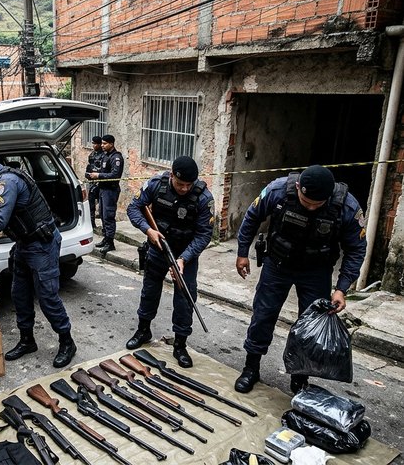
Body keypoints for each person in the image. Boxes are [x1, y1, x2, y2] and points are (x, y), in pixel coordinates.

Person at [233, 165, 367, 394]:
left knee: (310, 326)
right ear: (297, 188)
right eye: (307, 202)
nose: (312, 207)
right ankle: (251, 368)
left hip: (316, 271)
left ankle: (300, 377)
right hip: (277, 264)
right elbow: (252, 216)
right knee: (263, 315)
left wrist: (341, 288)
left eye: (318, 204)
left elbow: (356, 248)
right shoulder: (277, 190)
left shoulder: (347, 206)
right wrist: (242, 253)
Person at [0, 149, 77, 368]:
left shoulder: (6, 182)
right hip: (24, 244)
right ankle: (27, 340)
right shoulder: (1, 180)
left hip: (41, 244)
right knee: (20, 294)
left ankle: (67, 342)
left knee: (47, 297)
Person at [124, 156, 214, 368]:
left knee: (185, 297)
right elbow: (133, 208)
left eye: (188, 185)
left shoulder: (203, 198)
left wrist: (183, 259)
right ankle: (143, 330)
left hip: (185, 254)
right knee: (149, 290)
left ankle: (180, 344)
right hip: (158, 247)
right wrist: (148, 230)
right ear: (172, 175)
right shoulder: (156, 185)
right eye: (180, 184)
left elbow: (204, 235)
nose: (184, 189)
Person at [87, 134, 123, 253]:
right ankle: (106, 238)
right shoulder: (105, 156)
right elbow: (102, 171)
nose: (102, 145)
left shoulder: (116, 157)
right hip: (102, 189)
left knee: (108, 216)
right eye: (101, 143)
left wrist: (98, 175)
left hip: (110, 190)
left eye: (104, 143)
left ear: (111, 144)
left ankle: (110, 242)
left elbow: (114, 175)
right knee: (102, 215)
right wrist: (93, 174)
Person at [84, 136, 105, 229]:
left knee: (102, 207)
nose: (94, 145)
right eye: (93, 143)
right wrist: (88, 174)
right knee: (91, 205)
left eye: (95, 143)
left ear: (100, 144)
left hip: (100, 183)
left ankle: (104, 226)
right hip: (92, 182)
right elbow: (89, 167)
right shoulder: (92, 154)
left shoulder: (104, 155)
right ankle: (92, 224)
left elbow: (103, 170)